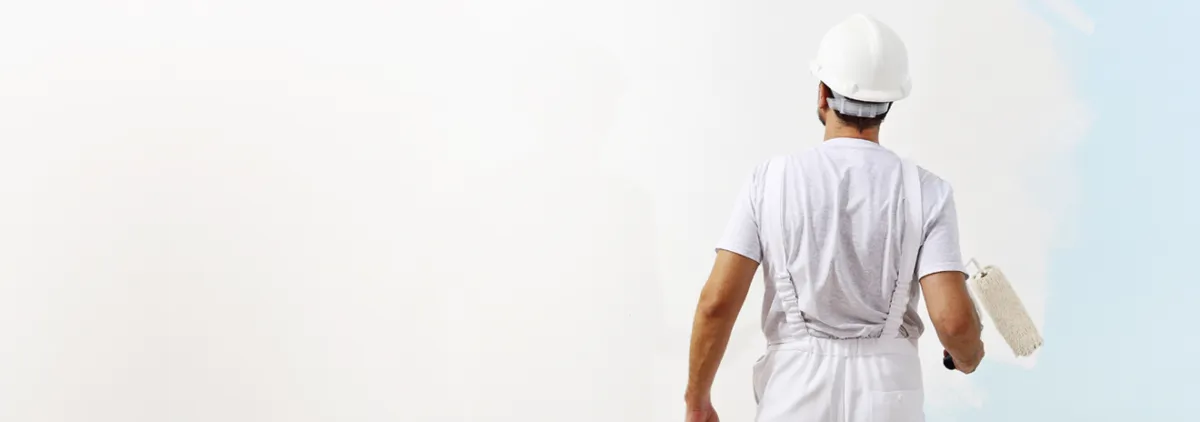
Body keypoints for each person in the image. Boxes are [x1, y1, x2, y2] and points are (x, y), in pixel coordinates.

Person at [684, 13, 985, 422]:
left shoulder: (769, 182)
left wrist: (697, 401)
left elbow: (717, 304)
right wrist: (968, 354)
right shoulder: (927, 191)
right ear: (889, 103)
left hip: (794, 391)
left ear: (822, 93)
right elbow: (953, 321)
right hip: (888, 396)